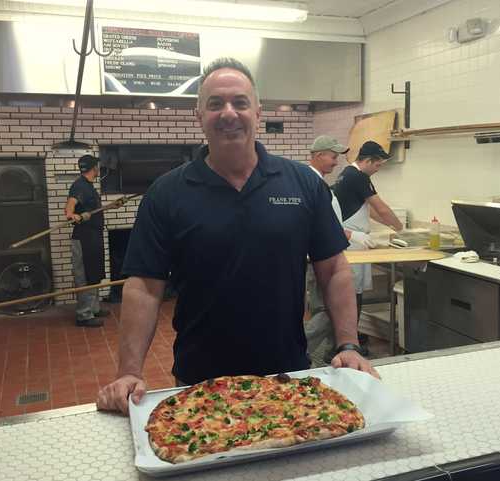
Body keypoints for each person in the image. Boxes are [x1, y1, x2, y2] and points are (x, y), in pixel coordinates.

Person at [97, 58, 378, 414]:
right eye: (215, 104)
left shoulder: (303, 184)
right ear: (198, 115)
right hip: (199, 382)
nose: (228, 113)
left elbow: (334, 268)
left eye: (239, 102)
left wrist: (348, 344)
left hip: (286, 375)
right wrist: (128, 372)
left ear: (257, 112)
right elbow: (143, 286)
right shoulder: (167, 193)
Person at [304, 135, 374, 364]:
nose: (336, 162)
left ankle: (331, 353)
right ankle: (299, 349)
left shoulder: (319, 182)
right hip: (321, 259)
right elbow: (324, 226)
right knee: (328, 311)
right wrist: (355, 235)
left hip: (321, 255)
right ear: (318, 155)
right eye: (333, 157)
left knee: (322, 309)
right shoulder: (311, 183)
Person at [332, 141, 403, 351]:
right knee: (352, 290)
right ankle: (349, 341)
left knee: (355, 289)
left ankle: (351, 334)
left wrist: (389, 226)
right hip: (352, 240)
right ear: (368, 161)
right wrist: (401, 230)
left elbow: (367, 209)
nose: (377, 169)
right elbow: (380, 207)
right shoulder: (359, 176)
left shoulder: (348, 173)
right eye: (378, 165)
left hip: (354, 238)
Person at [65, 155, 110, 328]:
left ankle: (93, 308)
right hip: (83, 239)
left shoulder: (88, 186)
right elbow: (70, 207)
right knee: (84, 275)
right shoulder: (80, 186)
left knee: (94, 272)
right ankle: (84, 315)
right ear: (94, 168)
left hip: (93, 237)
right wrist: (72, 214)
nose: (98, 168)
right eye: (97, 166)